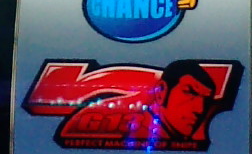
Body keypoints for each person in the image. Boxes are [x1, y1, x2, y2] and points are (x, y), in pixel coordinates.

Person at [56, 59, 219, 149]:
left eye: (205, 100)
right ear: (161, 91)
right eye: (190, 93)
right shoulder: (131, 125)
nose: (200, 109)